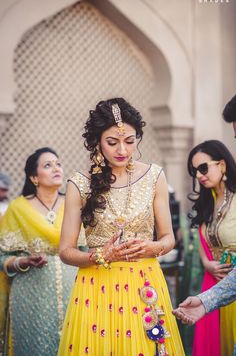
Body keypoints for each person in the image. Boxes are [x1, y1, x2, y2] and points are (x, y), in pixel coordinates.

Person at [58, 98, 185, 355]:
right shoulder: (79, 184)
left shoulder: (154, 176)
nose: (122, 150)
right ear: (97, 141)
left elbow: (168, 238)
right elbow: (65, 251)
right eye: (112, 142)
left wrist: (153, 247)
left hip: (144, 284)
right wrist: (100, 255)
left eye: (130, 141)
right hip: (96, 286)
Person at [0, 147, 77, 356]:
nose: (56, 168)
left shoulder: (74, 205)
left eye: (58, 163)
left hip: (74, 293)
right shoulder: (18, 209)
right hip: (31, 297)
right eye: (48, 165)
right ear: (34, 177)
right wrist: (23, 262)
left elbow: (87, 250)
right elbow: (2, 257)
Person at [186, 139, 236, 356]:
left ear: (222, 165)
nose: (199, 175)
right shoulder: (208, 201)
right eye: (195, 171)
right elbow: (201, 239)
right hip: (214, 282)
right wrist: (206, 262)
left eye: (203, 168)